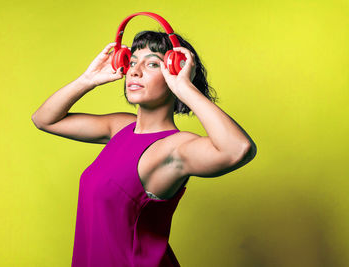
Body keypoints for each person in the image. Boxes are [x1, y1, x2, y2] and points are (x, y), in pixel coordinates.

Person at [32, 30, 256, 267]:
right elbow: (45, 119)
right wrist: (87, 80)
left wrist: (185, 89)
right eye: (132, 62)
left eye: (151, 64)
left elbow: (238, 149)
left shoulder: (174, 148)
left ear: (175, 72)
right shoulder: (120, 127)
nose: (135, 71)